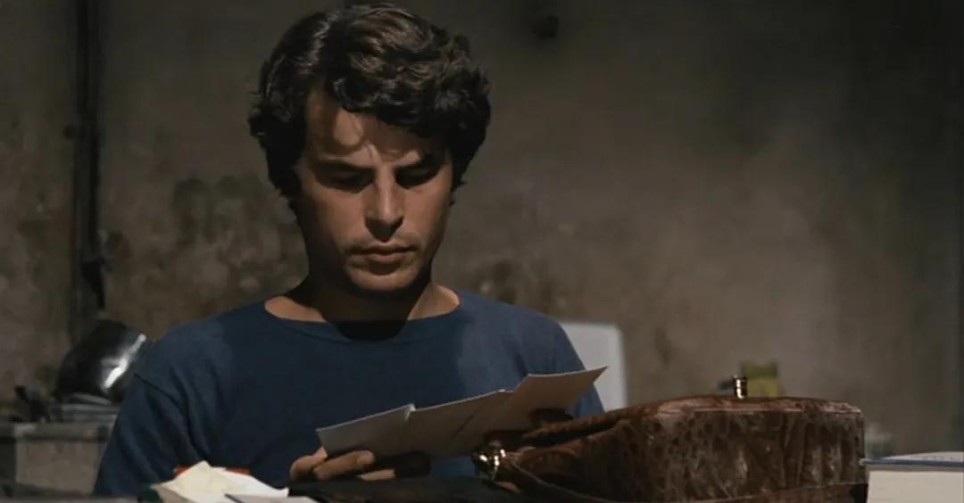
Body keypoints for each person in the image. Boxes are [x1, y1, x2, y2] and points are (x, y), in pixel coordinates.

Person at [93, 2, 603, 496]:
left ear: (454, 176)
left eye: (416, 176)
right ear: (291, 181)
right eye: (346, 178)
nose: (386, 212)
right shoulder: (193, 374)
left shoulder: (533, 356)